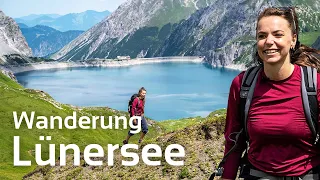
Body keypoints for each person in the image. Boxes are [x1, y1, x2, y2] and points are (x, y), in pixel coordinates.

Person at [221, 7, 320, 179]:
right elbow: (233, 143)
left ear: (293, 39)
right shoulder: (242, 85)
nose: (269, 41)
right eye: (262, 36)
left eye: (278, 34)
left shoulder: (315, 85)